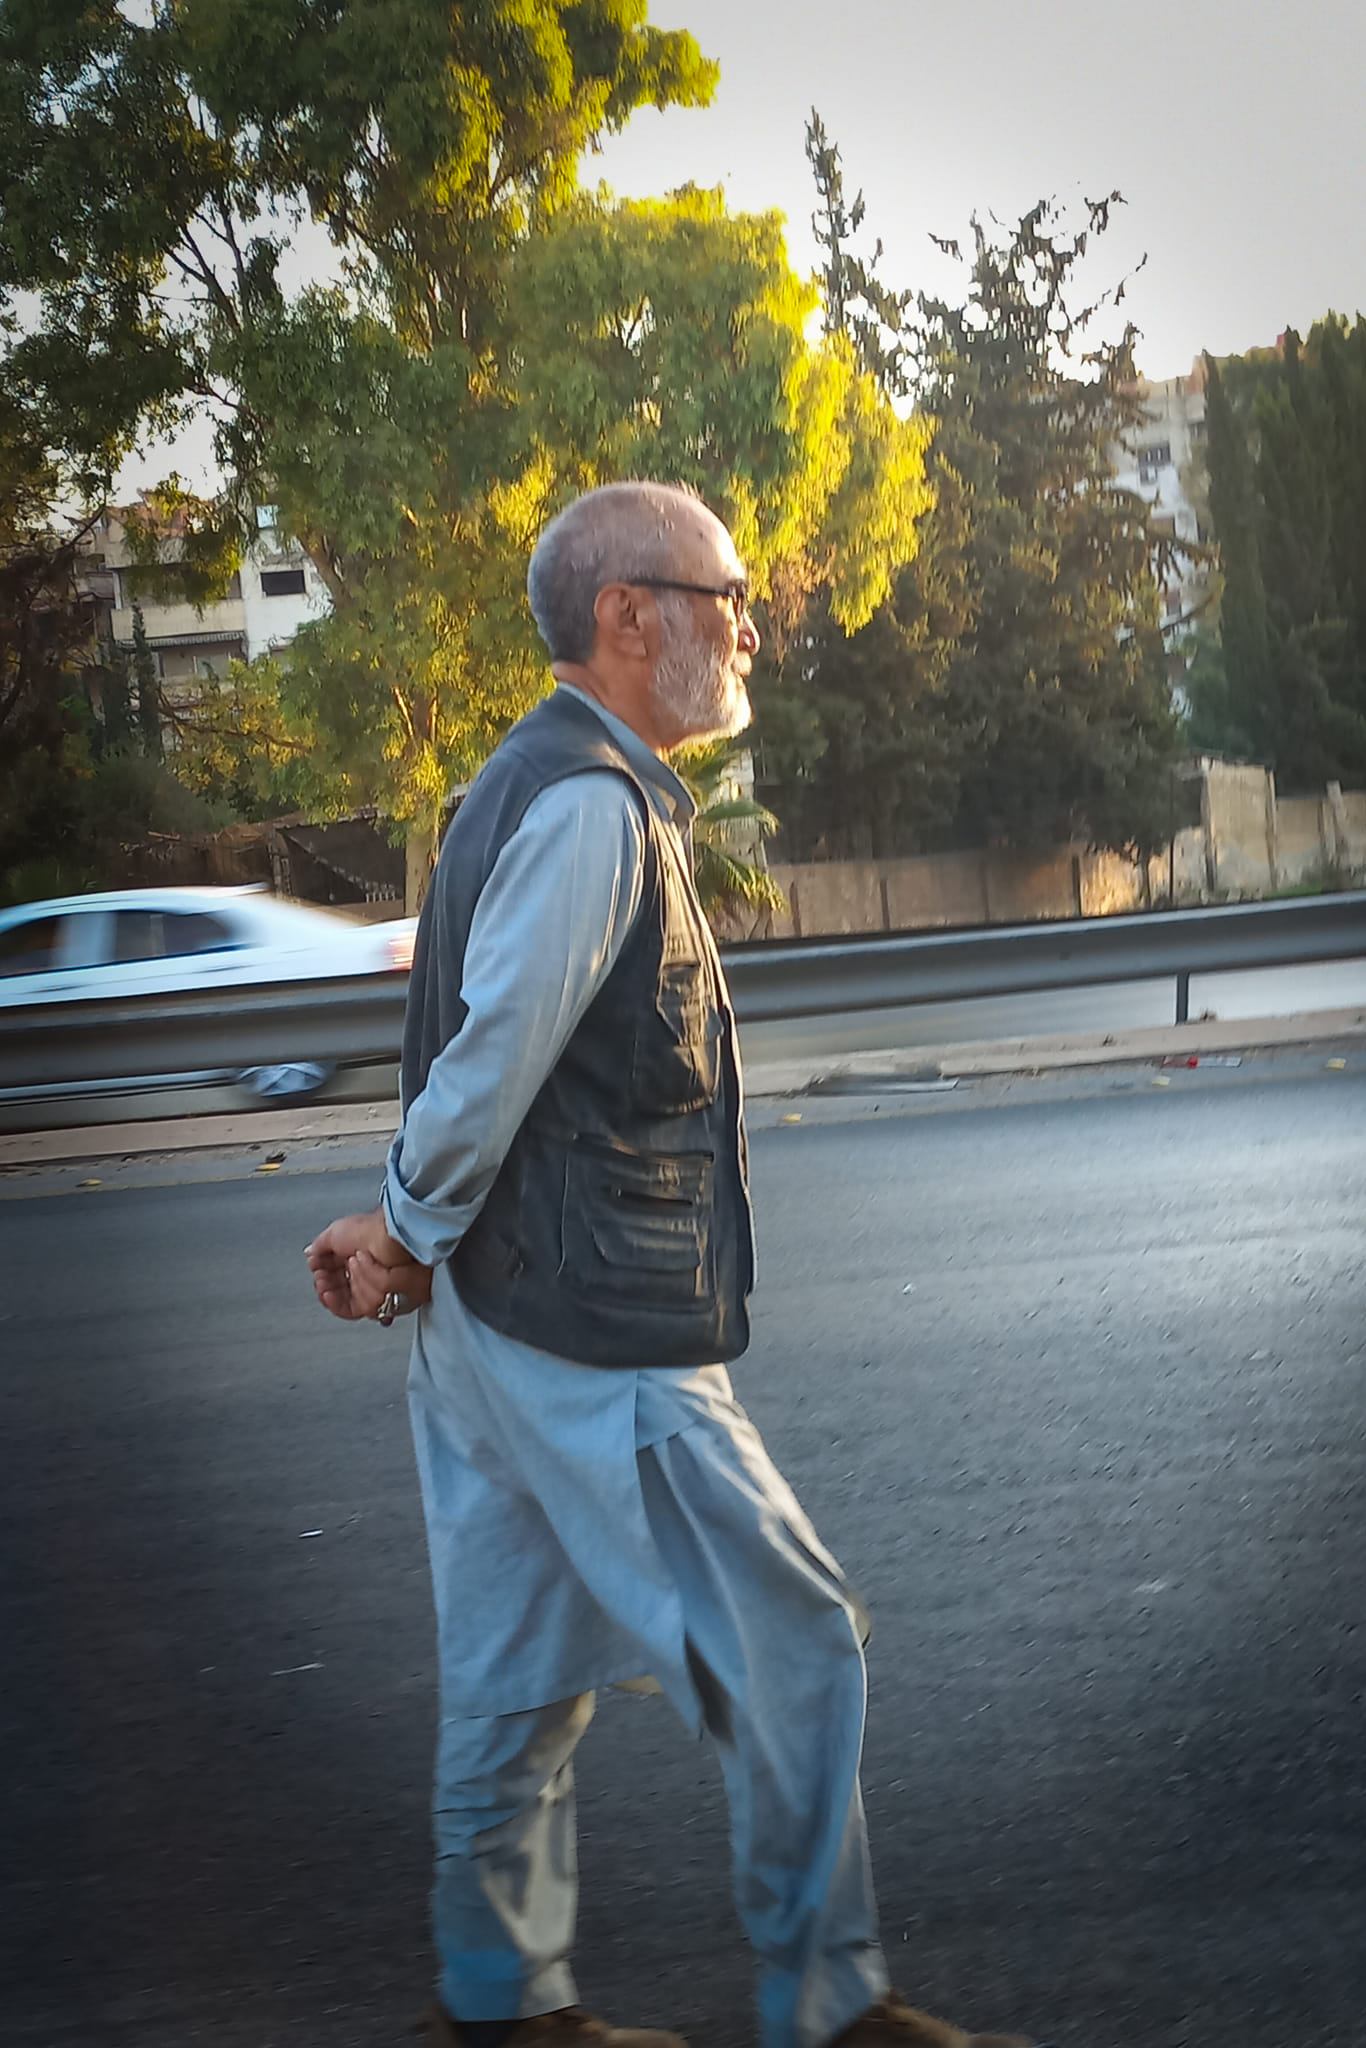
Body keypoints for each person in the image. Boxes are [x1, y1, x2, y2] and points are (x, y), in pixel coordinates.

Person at [305, 483, 1045, 2048]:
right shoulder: (591, 807)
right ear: (627, 615)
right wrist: (403, 1227)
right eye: (728, 596)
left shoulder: (521, 783)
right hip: (588, 1322)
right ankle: (832, 2008)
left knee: (514, 1684)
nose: (750, 627)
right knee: (795, 1646)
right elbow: (493, 1054)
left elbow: (480, 1043)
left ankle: (502, 2007)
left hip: (495, 1318)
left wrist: (415, 1240)